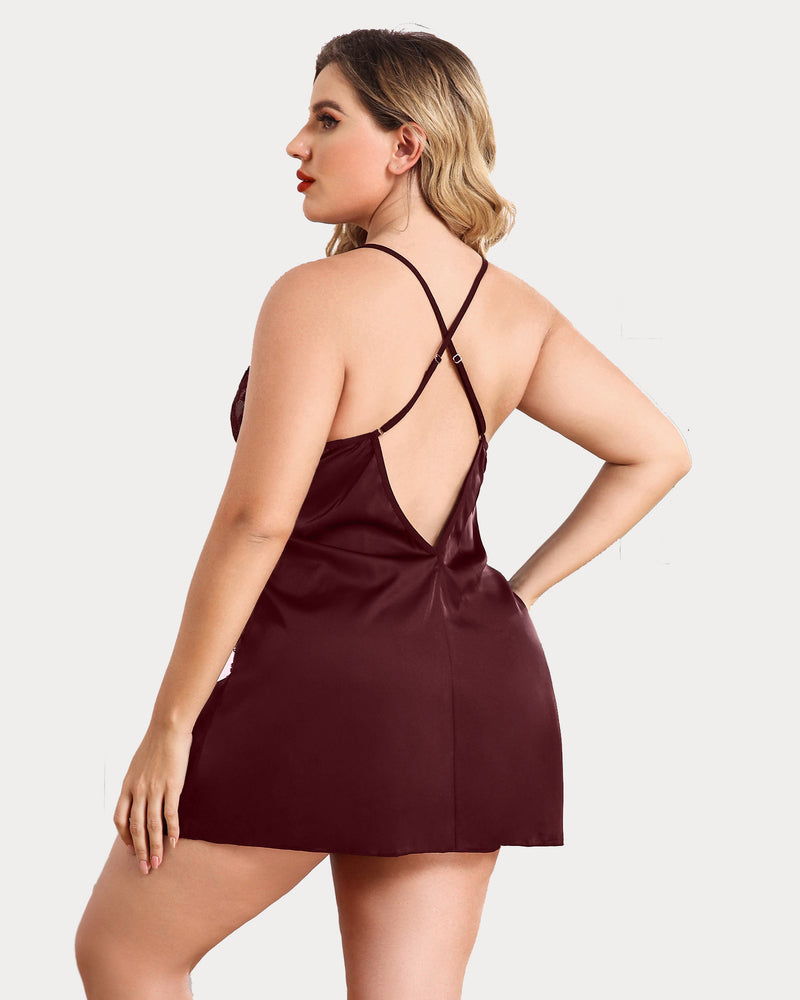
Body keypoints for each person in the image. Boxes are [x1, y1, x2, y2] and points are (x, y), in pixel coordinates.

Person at [74, 26, 691, 1000]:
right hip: (480, 690)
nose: (297, 144)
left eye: (326, 119)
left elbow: (256, 523)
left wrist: (171, 722)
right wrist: (514, 598)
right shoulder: (515, 309)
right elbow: (656, 450)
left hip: (327, 681)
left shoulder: (314, 297)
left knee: (125, 951)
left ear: (407, 145)